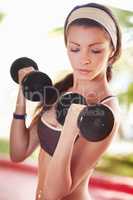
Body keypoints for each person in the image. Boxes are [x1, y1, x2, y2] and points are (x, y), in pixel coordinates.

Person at [10, 2, 122, 200]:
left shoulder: (105, 111)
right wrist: (24, 88)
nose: (83, 59)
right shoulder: (61, 90)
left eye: (95, 50)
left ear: (111, 51)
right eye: (75, 48)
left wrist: (70, 127)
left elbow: (55, 194)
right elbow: (19, 153)